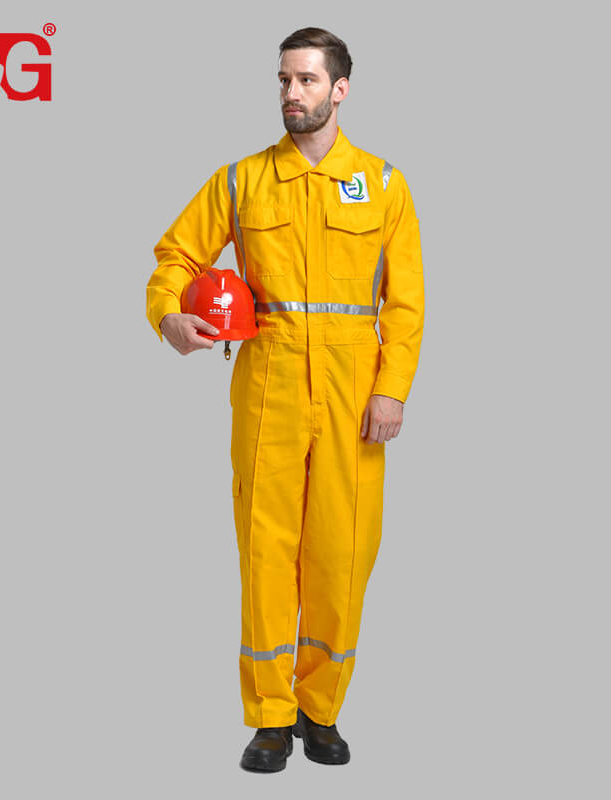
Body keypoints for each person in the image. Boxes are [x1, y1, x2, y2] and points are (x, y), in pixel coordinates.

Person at [146, 27, 424, 772]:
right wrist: (169, 316)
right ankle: (269, 716)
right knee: (266, 552)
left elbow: (405, 304)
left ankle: (319, 709)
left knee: (342, 553)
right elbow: (175, 256)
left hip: (353, 389)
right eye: (283, 80)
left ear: (340, 89)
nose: (291, 93)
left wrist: (391, 389)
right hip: (269, 382)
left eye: (306, 80)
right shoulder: (242, 181)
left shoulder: (385, 185)